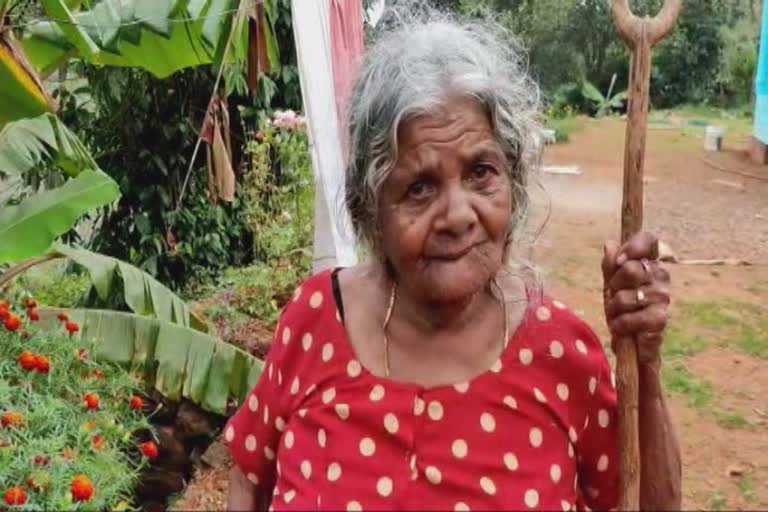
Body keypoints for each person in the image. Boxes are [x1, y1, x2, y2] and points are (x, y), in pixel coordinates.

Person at [225, 11, 681, 512]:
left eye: (481, 172)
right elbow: (248, 476)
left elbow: (649, 503)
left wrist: (647, 363)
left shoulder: (559, 352)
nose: (458, 216)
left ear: (513, 181)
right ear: (370, 206)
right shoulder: (315, 321)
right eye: (419, 188)